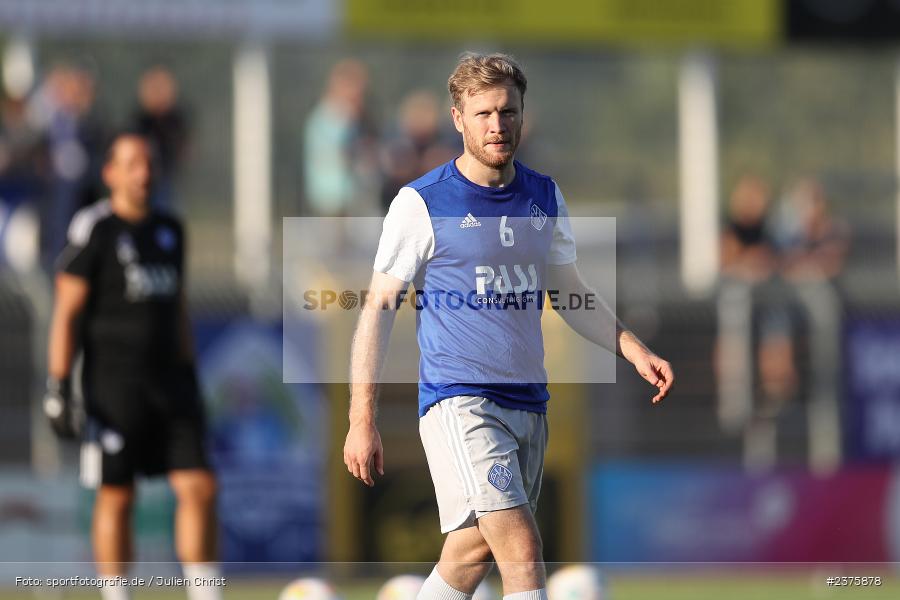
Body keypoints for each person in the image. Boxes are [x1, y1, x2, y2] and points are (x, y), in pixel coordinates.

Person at [343, 53, 674, 600]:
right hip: (461, 401)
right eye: (483, 114)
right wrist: (362, 419)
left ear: (522, 114)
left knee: (471, 552)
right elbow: (377, 308)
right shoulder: (422, 203)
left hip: (528, 403)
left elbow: (568, 291)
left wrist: (633, 349)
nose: (497, 125)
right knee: (521, 547)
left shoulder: (543, 196)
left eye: (507, 111)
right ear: (458, 119)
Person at [43, 133, 221, 600]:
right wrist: (58, 386)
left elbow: (178, 307)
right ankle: (116, 594)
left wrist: (189, 369)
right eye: (132, 164)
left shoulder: (170, 228)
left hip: (172, 382)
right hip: (113, 385)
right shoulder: (95, 228)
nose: (143, 173)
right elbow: (66, 311)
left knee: (200, 487)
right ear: (110, 173)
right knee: (117, 494)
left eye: (149, 163)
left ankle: (205, 594)